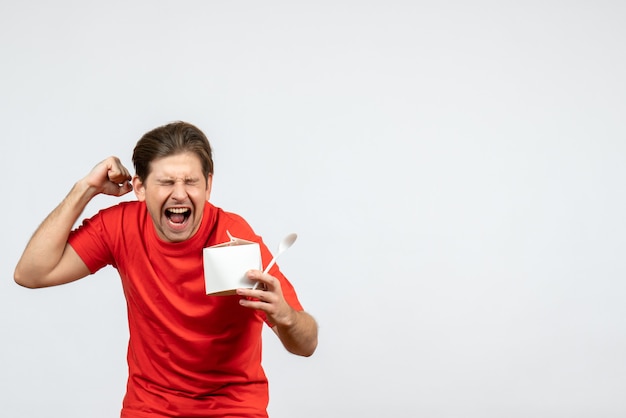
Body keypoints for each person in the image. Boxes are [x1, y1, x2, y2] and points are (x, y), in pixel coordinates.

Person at [14, 121, 318, 418]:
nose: (179, 194)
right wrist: (85, 189)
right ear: (140, 187)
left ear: (208, 185)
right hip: (149, 408)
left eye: (190, 181)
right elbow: (30, 274)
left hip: (232, 408)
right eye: (166, 182)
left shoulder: (235, 240)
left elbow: (306, 345)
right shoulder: (120, 226)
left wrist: (286, 317)